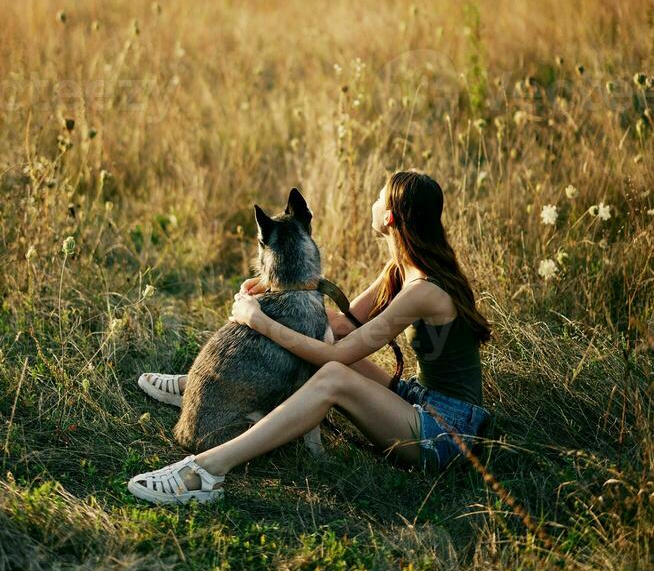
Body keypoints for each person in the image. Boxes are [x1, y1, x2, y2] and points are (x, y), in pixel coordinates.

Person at [128, 170, 492, 505]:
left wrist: (259, 321)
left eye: (379, 197)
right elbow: (342, 324)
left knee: (333, 375)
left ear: (390, 217)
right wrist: (275, 290)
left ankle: (207, 470)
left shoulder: (423, 290)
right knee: (326, 339)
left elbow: (340, 355)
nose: (373, 201)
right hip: (420, 399)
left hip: (448, 433)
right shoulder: (403, 268)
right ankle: (214, 384)